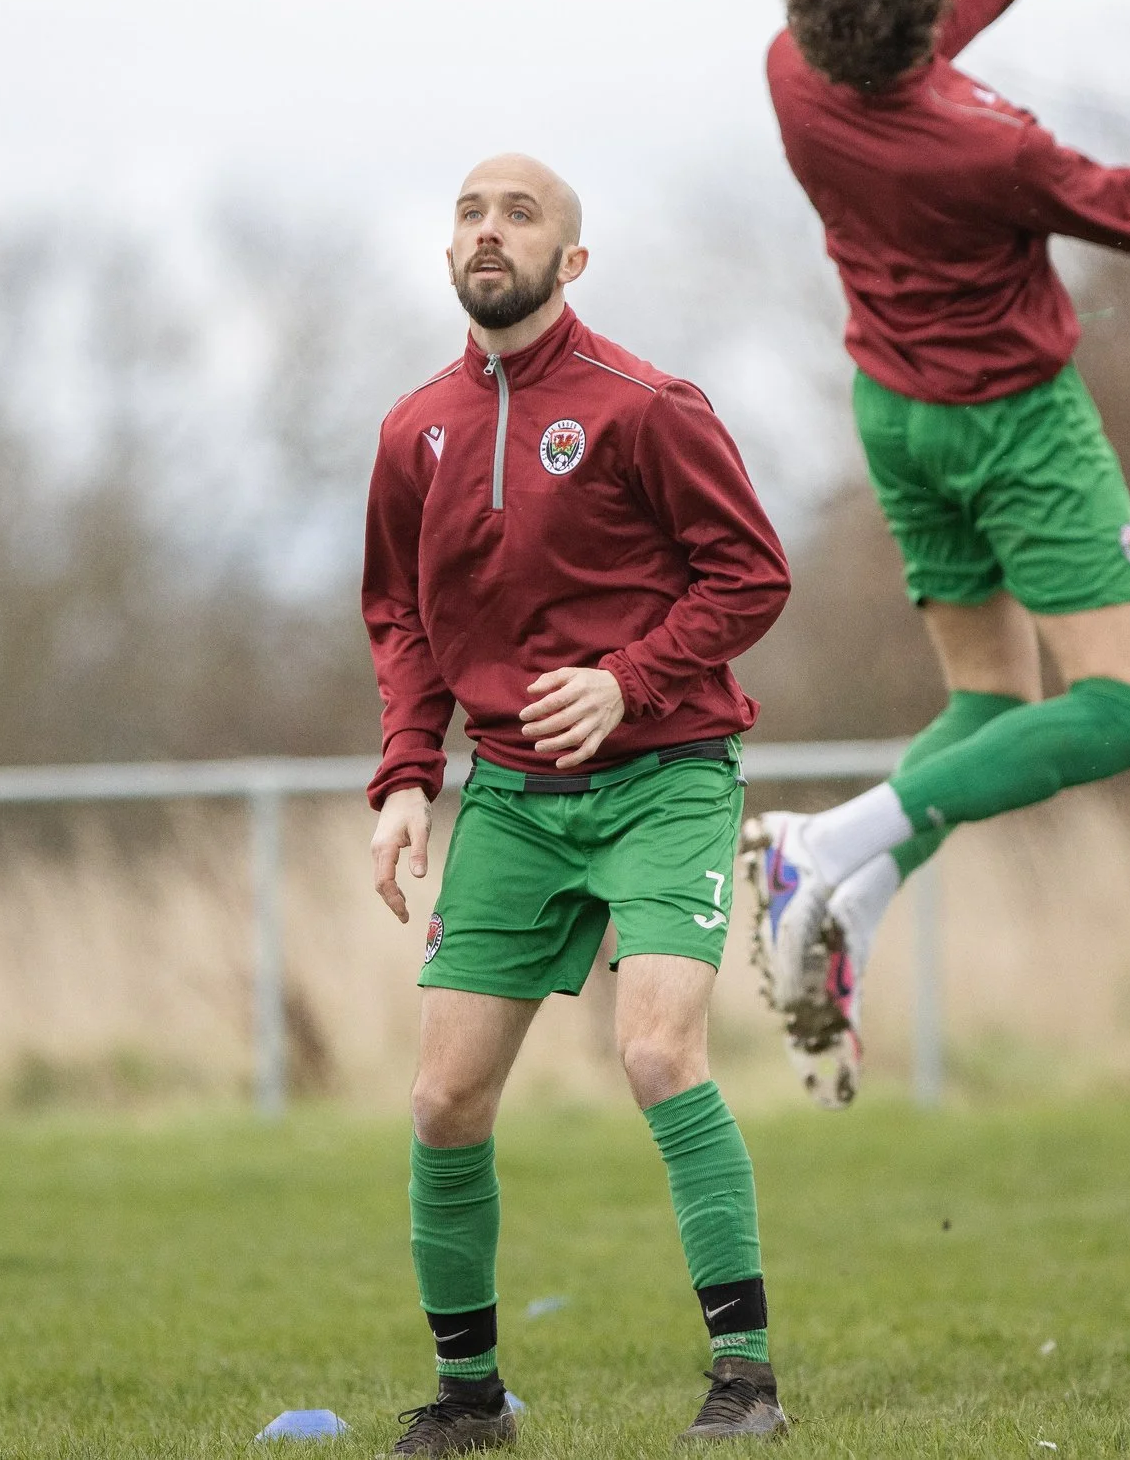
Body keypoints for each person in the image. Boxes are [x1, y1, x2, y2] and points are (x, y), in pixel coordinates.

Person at [748, 0, 1130, 1106]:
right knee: (1127, 714)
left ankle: (848, 900)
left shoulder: (793, 73)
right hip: (1016, 426)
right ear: (916, 26)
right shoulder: (989, 148)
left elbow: (939, 18)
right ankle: (830, 840)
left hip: (895, 416)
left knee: (989, 709)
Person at [363, 154, 794, 1448]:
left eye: (521, 213)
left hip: (667, 773)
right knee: (444, 1102)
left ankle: (746, 1377)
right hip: (511, 793)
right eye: (470, 213)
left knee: (656, 1050)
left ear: (575, 258)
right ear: (450, 253)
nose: (490, 231)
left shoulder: (647, 406)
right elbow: (401, 618)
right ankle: (470, 1398)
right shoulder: (413, 429)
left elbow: (753, 577)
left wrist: (628, 681)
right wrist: (403, 779)